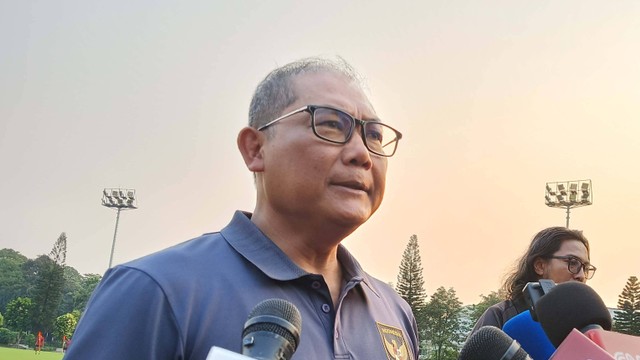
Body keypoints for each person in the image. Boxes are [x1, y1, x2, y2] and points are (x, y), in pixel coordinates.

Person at [64, 56, 418, 360]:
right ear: (255, 149)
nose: (361, 153)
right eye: (329, 123)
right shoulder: (156, 292)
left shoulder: (393, 311)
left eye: (373, 135)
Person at [469, 226, 596, 334]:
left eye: (585, 268)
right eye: (573, 263)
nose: (581, 275)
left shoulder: (586, 328)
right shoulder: (500, 317)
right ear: (540, 266)